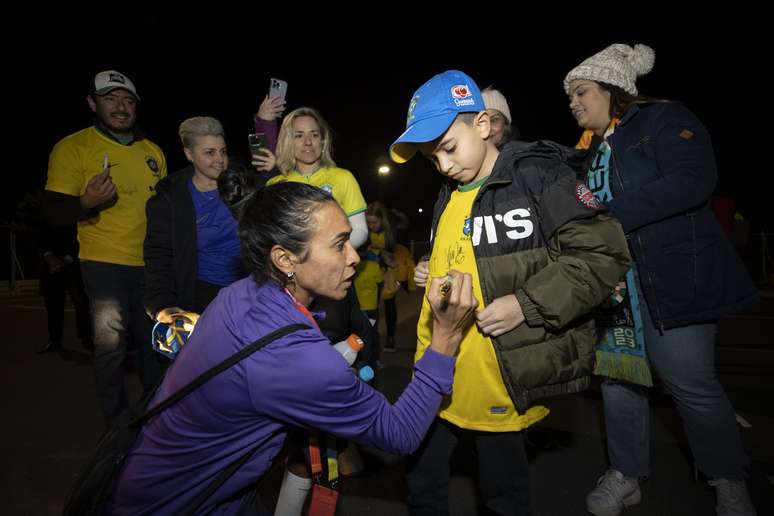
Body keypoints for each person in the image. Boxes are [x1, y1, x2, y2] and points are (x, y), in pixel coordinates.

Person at [109, 181, 478, 515]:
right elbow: (400, 433)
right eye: (338, 245)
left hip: (172, 479)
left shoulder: (237, 294)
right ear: (285, 259)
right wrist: (445, 336)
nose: (354, 256)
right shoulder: (298, 358)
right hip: (183, 503)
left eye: (349, 240)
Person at [390, 69, 630, 515]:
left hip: (496, 381)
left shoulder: (537, 176)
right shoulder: (448, 191)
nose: (443, 166)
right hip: (435, 374)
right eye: (431, 158)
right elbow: (464, 253)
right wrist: (431, 268)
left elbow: (601, 255)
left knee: (503, 495)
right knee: (422, 485)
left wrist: (525, 304)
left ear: (482, 124)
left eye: (448, 148)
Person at [565, 43, 759, 516]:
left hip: (672, 277)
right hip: (616, 288)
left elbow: (692, 180)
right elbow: (578, 204)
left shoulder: (663, 120)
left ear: (611, 88)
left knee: (691, 383)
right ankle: (626, 474)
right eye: (570, 96)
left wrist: (608, 217)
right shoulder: (589, 151)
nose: (573, 103)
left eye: (581, 92)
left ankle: (728, 479)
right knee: (618, 383)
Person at [43, 70, 167, 424]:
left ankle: (154, 418)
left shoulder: (153, 151)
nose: (120, 107)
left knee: (154, 345)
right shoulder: (73, 147)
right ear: (92, 103)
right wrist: (86, 202)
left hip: (150, 264)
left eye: (127, 100)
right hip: (103, 264)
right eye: (110, 99)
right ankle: (117, 424)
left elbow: (164, 211)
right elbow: (52, 212)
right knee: (111, 348)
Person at [144, 116, 244, 322]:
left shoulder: (242, 186)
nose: (219, 159)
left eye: (223, 151)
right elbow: (159, 256)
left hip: (247, 291)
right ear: (189, 154)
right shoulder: (170, 200)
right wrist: (162, 304)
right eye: (209, 152)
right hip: (203, 297)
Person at [38, 222, 92, 354]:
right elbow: (40, 233)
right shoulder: (45, 216)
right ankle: (55, 340)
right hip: (51, 260)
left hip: (73, 258)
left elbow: (81, 231)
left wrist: (69, 256)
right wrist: (49, 257)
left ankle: (87, 339)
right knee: (52, 303)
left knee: (80, 301)